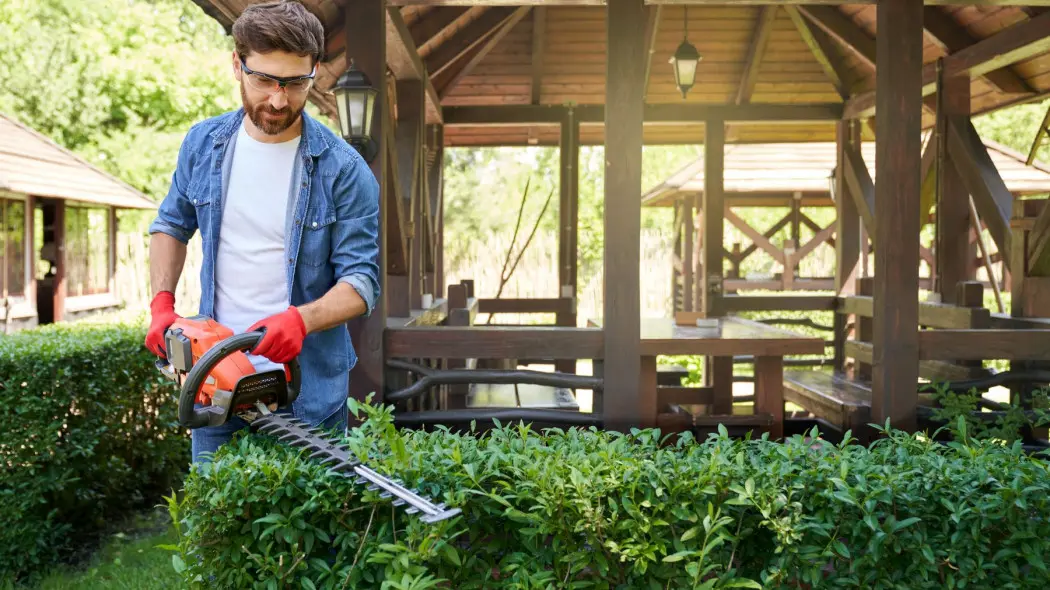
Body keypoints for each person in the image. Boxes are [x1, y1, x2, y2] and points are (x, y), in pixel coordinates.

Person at [144, 0, 380, 463]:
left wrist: (301, 320)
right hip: (217, 382)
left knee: (313, 533)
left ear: (314, 72)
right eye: (264, 80)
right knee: (216, 531)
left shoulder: (345, 170)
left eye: (295, 84)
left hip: (307, 392)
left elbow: (363, 282)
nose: (277, 99)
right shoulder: (202, 145)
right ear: (237, 64)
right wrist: (161, 304)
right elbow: (171, 225)